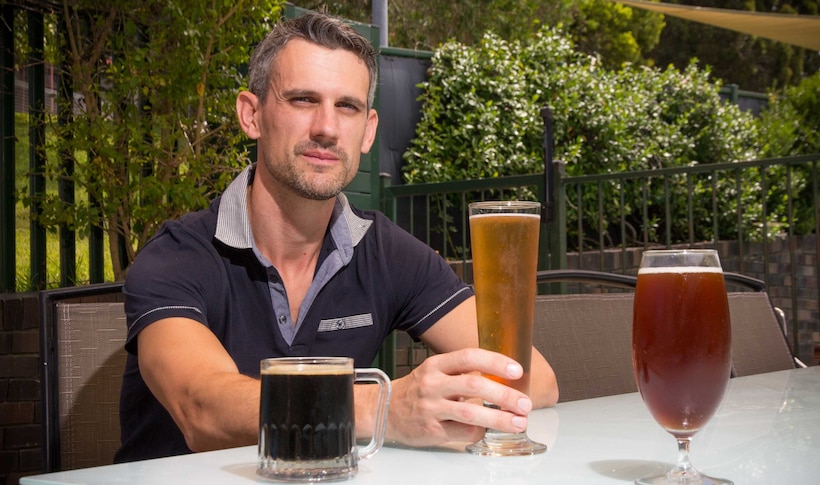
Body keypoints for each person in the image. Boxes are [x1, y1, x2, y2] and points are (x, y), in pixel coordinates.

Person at [115, 11, 558, 463]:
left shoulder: (385, 251)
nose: (326, 127)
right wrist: (383, 409)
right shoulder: (176, 257)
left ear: (367, 131)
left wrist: (449, 398)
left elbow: (533, 379)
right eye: (304, 99)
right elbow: (202, 410)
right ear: (252, 115)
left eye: (347, 106)